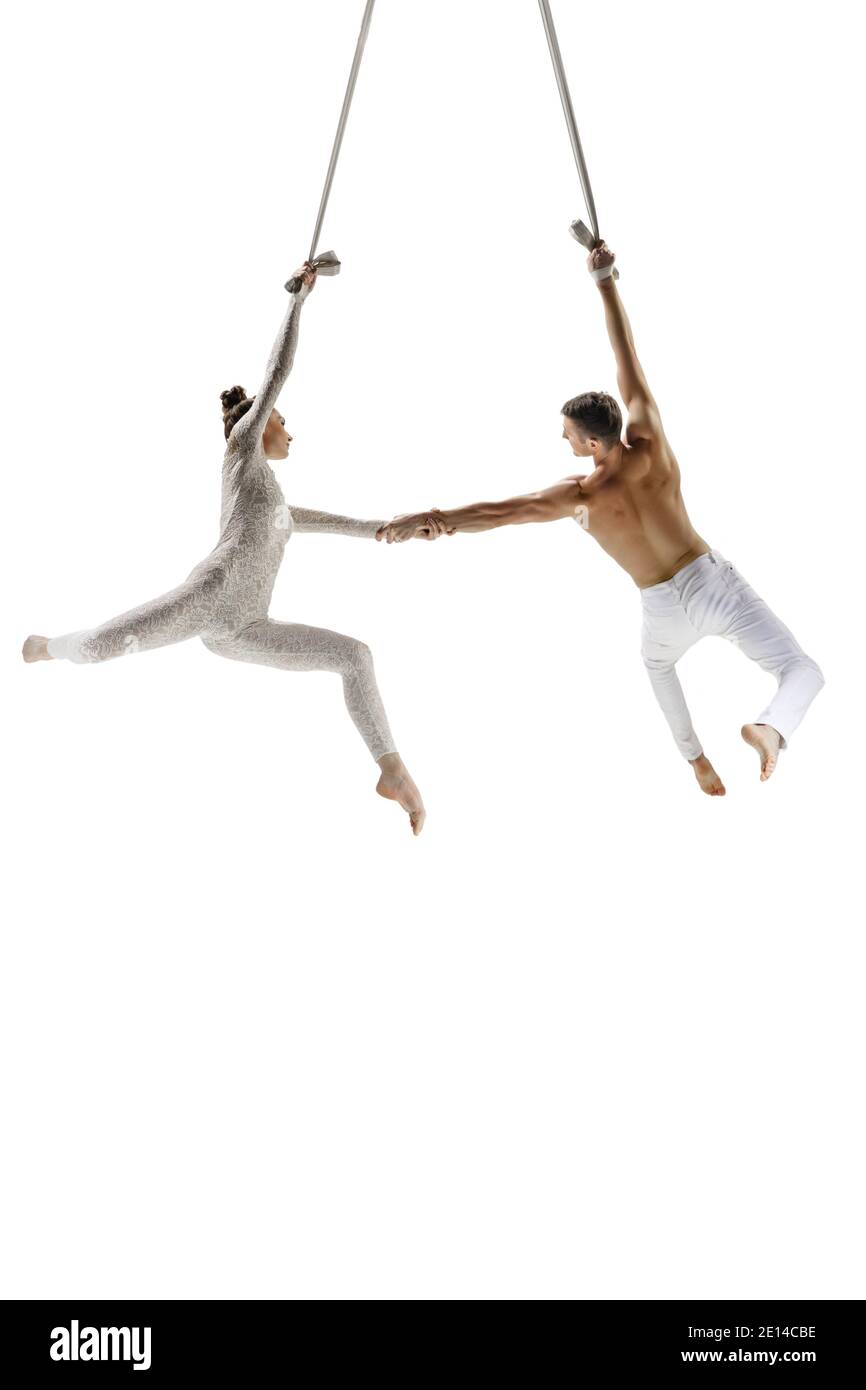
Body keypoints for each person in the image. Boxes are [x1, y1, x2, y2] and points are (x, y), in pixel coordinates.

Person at [378, 242, 823, 796]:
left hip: (662, 605)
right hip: (711, 584)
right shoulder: (651, 445)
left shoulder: (579, 496)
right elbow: (627, 358)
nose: (562, 439)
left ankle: (697, 761)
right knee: (803, 670)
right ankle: (771, 729)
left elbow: (497, 514)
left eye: (567, 433)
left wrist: (430, 518)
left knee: (660, 669)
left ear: (590, 441)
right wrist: (605, 279)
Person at [23, 263, 425, 833]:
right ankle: (44, 646)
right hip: (206, 601)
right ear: (256, 427)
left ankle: (392, 771)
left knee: (354, 656)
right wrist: (299, 299)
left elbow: (329, 521)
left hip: (246, 631)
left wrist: (389, 528)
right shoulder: (242, 455)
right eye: (281, 422)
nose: (290, 431)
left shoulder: (274, 505)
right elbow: (278, 372)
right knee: (101, 647)